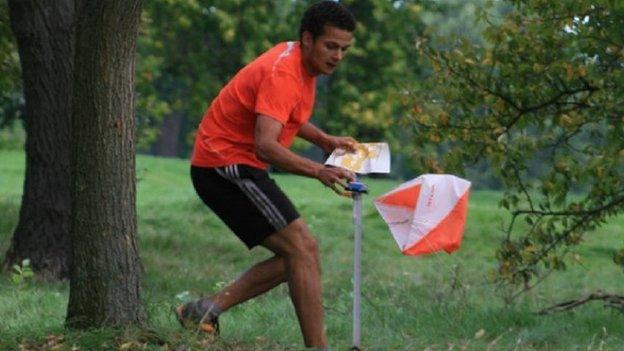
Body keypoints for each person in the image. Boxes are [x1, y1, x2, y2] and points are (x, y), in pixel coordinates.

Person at [175, 1, 357, 349]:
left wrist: (323, 140)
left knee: (301, 253)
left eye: (344, 49)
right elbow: (266, 146)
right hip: (225, 166)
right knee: (302, 249)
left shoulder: (300, 65)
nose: (337, 56)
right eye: (330, 46)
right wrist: (319, 170)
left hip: (232, 164)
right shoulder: (284, 73)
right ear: (307, 39)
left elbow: (283, 114)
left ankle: (203, 310)